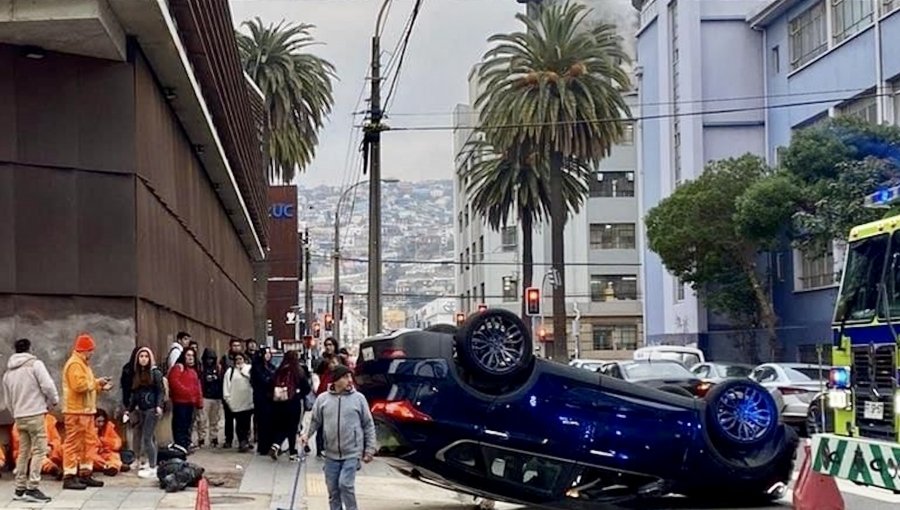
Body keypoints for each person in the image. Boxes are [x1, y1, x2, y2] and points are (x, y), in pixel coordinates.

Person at [301, 365, 376, 510]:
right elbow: (315, 420)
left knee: (345, 484)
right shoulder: (323, 399)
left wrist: (370, 449)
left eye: (350, 377)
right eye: (345, 377)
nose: (349, 380)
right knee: (333, 490)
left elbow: (368, 424)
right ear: (335, 380)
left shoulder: (359, 399)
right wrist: (306, 435)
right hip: (331, 453)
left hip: (352, 452)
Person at [1, 338, 60, 502]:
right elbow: (47, 385)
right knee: (40, 450)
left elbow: (8, 400)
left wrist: (16, 413)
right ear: (30, 349)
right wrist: (54, 400)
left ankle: (19, 488)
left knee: (23, 452)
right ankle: (33, 487)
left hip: (19, 416)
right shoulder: (35, 365)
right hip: (35, 413)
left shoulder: (8, 373)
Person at [61, 333, 112, 490]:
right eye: (91, 351)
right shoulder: (75, 364)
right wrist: (95, 383)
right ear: (84, 350)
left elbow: (86, 385)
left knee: (87, 443)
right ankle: (69, 476)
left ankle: (85, 473)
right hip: (76, 412)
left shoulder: (82, 364)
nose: (92, 354)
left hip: (85, 411)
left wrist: (99, 385)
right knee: (73, 444)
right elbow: (79, 386)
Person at [124, 346, 164, 478]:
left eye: (146, 356)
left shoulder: (155, 373)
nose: (143, 359)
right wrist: (128, 410)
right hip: (141, 409)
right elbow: (135, 395)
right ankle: (151, 462)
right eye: (141, 356)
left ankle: (153, 466)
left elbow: (160, 391)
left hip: (151, 408)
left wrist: (159, 405)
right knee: (149, 437)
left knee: (147, 438)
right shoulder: (138, 374)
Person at [269, 351, 312, 462]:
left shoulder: (279, 370)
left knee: (281, 426)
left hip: (279, 403)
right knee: (292, 428)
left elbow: (271, 385)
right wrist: (299, 394)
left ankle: (276, 444)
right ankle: (292, 452)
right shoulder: (298, 371)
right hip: (294, 403)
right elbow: (307, 388)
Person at [168, 348, 203, 453]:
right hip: (180, 402)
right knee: (180, 425)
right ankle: (180, 445)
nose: (190, 357)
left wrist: (199, 401)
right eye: (188, 355)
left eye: (192, 355)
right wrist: (187, 392)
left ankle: (186, 443)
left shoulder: (193, 371)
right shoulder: (178, 368)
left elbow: (198, 387)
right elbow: (174, 383)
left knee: (188, 425)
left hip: (191, 403)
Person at [11, 414, 64, 480]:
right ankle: (52, 469)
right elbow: (21, 444)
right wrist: (41, 449)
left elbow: (56, 439)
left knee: (65, 449)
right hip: (30, 456)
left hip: (49, 451)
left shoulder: (48, 419)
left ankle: (73, 470)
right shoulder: (21, 422)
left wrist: (51, 446)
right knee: (39, 456)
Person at [223, 353, 254, 452]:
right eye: (236, 359)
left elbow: (254, 381)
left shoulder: (249, 369)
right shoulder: (230, 371)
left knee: (246, 423)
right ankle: (241, 441)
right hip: (235, 403)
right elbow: (226, 386)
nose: (238, 361)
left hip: (247, 403)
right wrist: (228, 400)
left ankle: (245, 441)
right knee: (238, 424)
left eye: (240, 358)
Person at [250, 347, 276, 455]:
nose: (268, 355)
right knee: (262, 422)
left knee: (271, 422)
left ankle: (270, 444)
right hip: (261, 398)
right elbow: (262, 380)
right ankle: (263, 446)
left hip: (271, 398)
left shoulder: (271, 367)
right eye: (266, 353)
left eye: (269, 353)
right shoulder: (257, 367)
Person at [312, 354, 339, 457]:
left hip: (336, 405)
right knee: (322, 427)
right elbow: (321, 389)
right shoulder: (326, 375)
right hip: (325, 404)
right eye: (331, 363)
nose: (332, 365)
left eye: (334, 363)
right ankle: (321, 448)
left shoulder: (340, 376)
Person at [220, 338, 244, 448]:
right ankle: (228, 439)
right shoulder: (225, 359)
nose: (236, 347)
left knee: (242, 421)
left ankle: (243, 440)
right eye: (234, 345)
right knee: (229, 420)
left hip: (242, 397)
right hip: (230, 394)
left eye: (238, 345)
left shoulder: (246, 359)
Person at [197, 348, 223, 447]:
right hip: (205, 396)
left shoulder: (218, 368)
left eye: (212, 359)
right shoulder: (202, 368)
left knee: (215, 419)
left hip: (216, 397)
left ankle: (213, 438)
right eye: (208, 358)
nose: (210, 361)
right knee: (202, 420)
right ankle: (201, 438)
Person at [90, 410, 124, 476]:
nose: (101, 424)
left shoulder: (108, 427)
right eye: (98, 421)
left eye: (103, 421)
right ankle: (111, 466)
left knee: (114, 455)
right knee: (91, 458)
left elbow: (117, 443)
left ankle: (112, 467)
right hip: (94, 455)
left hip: (105, 453)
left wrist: (104, 442)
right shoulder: (88, 429)